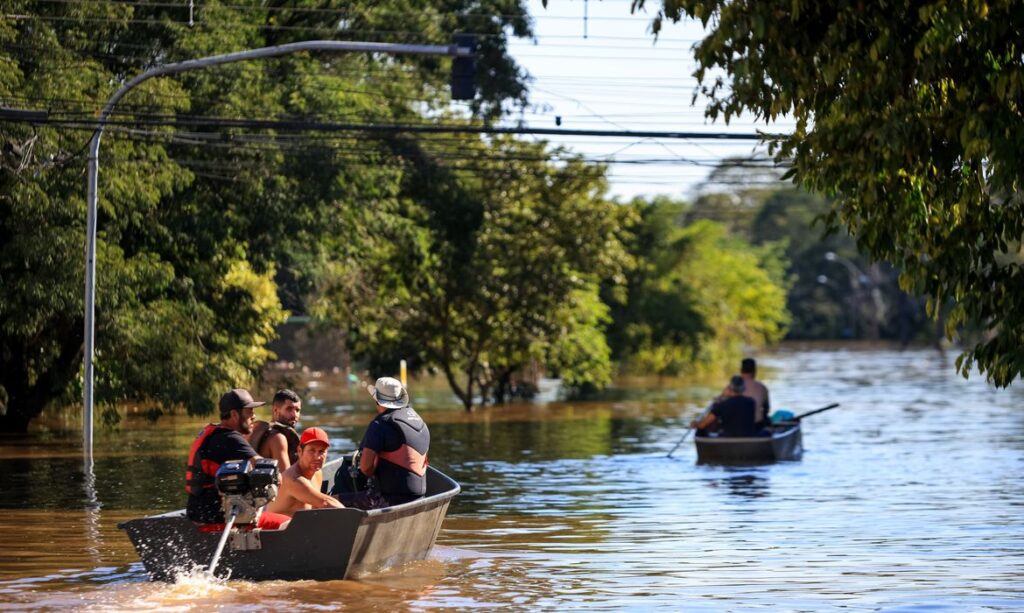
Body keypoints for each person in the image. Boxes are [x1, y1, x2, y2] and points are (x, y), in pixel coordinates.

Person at [185, 388, 291, 530]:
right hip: (220, 521)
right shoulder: (230, 438)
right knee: (289, 524)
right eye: (249, 411)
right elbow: (268, 468)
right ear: (235, 414)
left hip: (198, 516)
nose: (254, 416)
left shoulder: (211, 434)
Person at [357, 377, 430, 507]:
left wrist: (373, 472)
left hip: (390, 500)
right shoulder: (419, 421)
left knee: (330, 501)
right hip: (420, 497)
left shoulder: (379, 424)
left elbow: (365, 467)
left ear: (377, 400)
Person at [265, 427, 345, 517]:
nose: (317, 457)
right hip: (278, 529)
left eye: (321, 451)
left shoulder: (318, 473)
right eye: (312, 450)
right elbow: (325, 502)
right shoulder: (294, 479)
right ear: (299, 451)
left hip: (302, 526)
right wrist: (353, 518)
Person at [248, 389, 302, 470]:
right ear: (275, 410)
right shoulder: (277, 438)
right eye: (289, 409)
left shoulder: (260, 431)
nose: (294, 415)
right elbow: (286, 477)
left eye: (297, 410)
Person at [692, 375, 760, 437]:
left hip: (727, 440)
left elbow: (703, 425)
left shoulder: (722, 404)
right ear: (743, 388)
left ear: (730, 388)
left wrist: (696, 424)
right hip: (747, 440)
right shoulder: (751, 402)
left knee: (700, 431)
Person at [740, 357, 771, 425]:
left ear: (741, 371)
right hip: (756, 426)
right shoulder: (762, 388)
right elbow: (766, 409)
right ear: (755, 371)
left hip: (734, 425)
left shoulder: (731, 387)